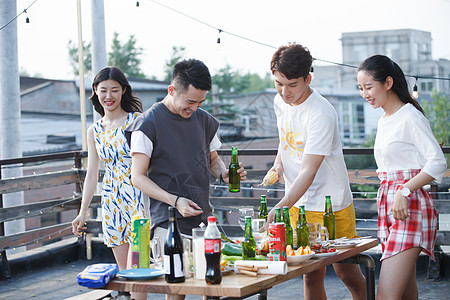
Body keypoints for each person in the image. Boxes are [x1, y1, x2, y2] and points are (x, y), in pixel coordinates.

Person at [125, 58, 247, 300]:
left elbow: (213, 160)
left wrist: (222, 173)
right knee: (177, 290)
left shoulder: (204, 120)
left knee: (213, 284)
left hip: (202, 219)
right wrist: (175, 200)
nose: (195, 108)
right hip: (167, 221)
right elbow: (137, 178)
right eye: (190, 101)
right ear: (172, 90)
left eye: (201, 102)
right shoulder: (147, 124)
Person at [266, 43, 366, 300]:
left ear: (308, 79)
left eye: (292, 85)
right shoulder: (280, 101)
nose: (284, 92)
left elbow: (309, 170)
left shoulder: (321, 113)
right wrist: (279, 163)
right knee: (309, 272)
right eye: (278, 83)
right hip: (298, 203)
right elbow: (285, 137)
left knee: (347, 273)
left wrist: (281, 205)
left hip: (330, 204)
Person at [357, 55, 447, 300]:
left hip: (411, 207)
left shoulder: (410, 117)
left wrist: (403, 191)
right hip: (392, 207)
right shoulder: (385, 119)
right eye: (360, 88)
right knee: (406, 294)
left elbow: (438, 162)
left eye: (369, 87)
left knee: (386, 295)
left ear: (387, 82)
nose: (364, 94)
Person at [71, 67, 148, 300]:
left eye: (115, 90)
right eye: (103, 90)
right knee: (125, 276)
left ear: (123, 90)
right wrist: (82, 212)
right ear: (95, 91)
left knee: (140, 271)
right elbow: (92, 173)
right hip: (112, 202)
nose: (109, 96)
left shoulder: (137, 121)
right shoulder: (94, 130)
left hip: (138, 200)